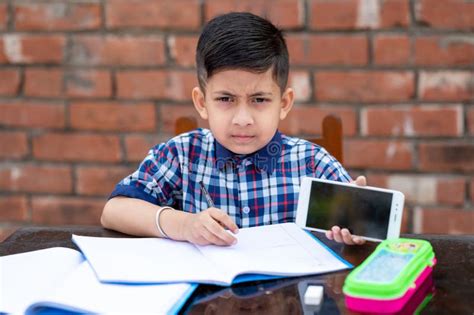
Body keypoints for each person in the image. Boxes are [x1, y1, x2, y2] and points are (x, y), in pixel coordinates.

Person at [101, 12, 366, 246]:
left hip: (290, 298)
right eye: (226, 99)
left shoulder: (311, 163)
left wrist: (356, 226)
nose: (242, 119)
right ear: (202, 103)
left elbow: (359, 226)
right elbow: (114, 211)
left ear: (283, 104)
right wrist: (183, 224)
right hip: (206, 297)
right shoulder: (182, 155)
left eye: (259, 100)